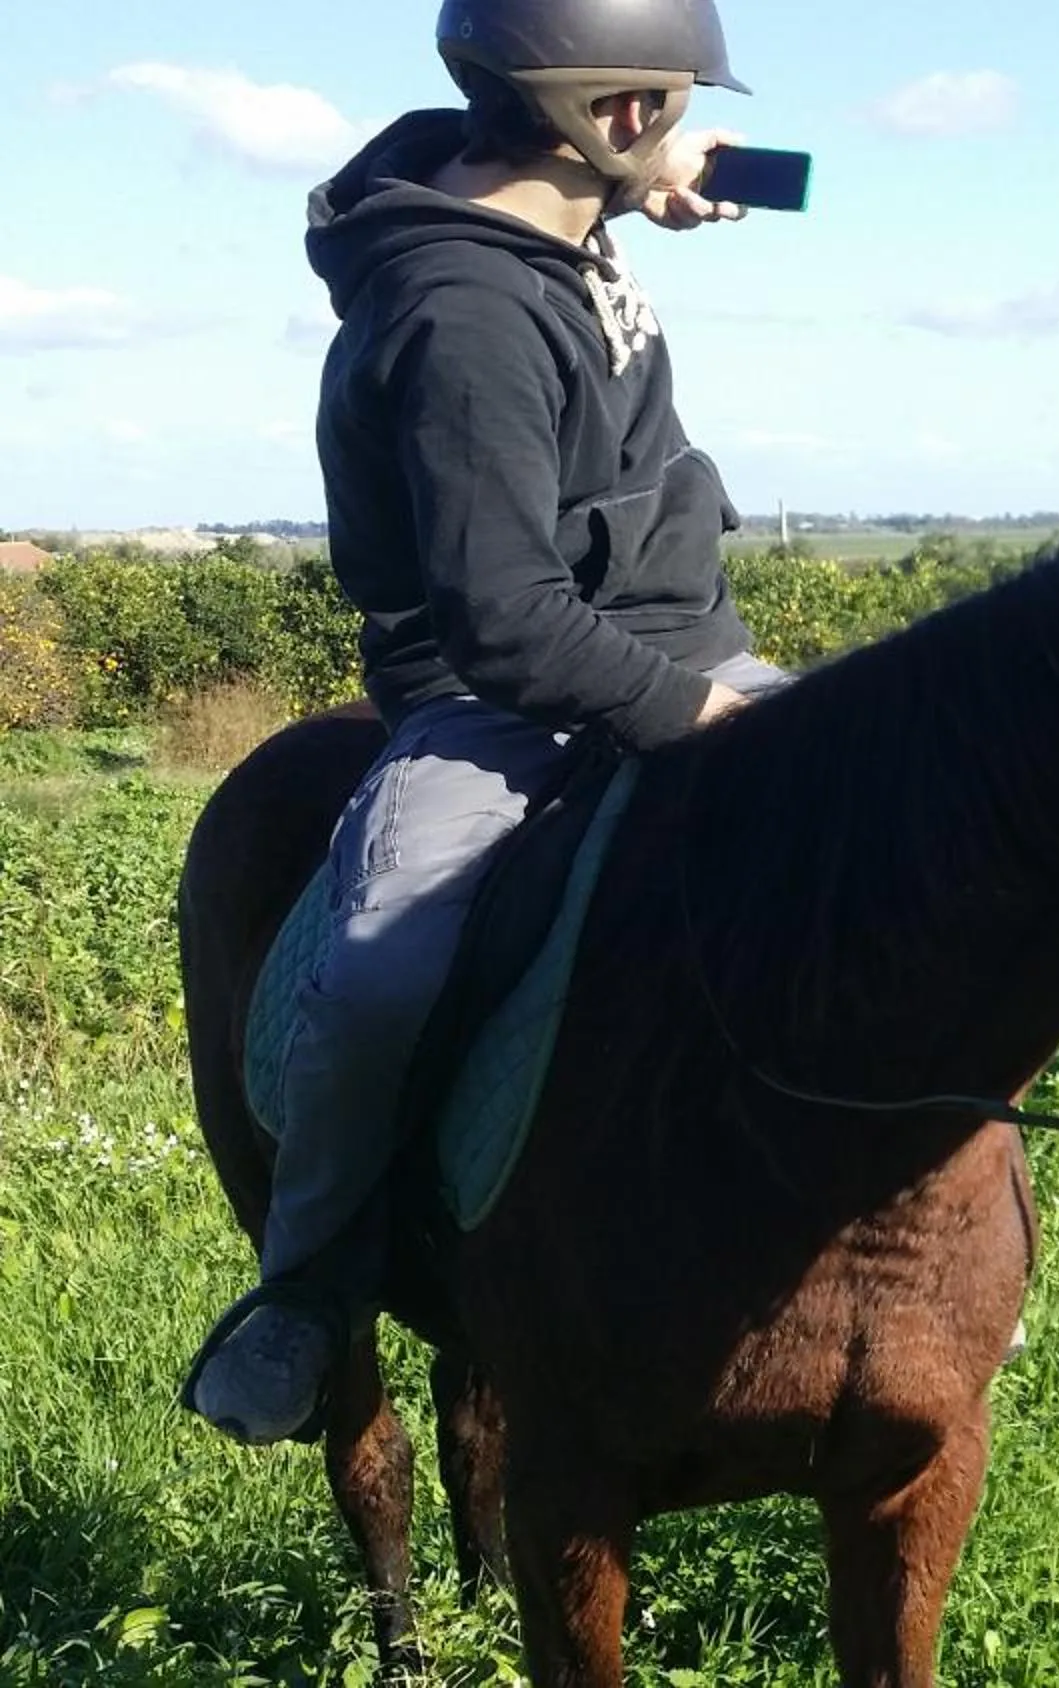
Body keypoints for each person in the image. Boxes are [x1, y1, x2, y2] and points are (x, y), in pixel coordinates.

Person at [183, 0, 790, 1447]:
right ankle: (309, 1290)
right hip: (498, 706)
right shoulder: (461, 318)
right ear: (608, 115)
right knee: (383, 970)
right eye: (658, 103)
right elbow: (507, 620)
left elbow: (543, 221)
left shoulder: (547, 220)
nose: (672, 128)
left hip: (686, 644)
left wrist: (643, 199)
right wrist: (698, 716)